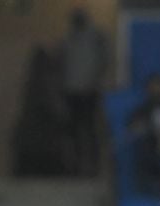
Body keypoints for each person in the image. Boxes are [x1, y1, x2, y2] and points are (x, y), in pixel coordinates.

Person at [61, 7, 109, 175]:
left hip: (89, 91)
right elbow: (62, 65)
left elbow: (104, 61)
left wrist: (95, 81)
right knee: (74, 131)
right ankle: (75, 167)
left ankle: (94, 167)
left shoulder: (96, 37)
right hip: (72, 92)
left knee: (91, 129)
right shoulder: (68, 39)